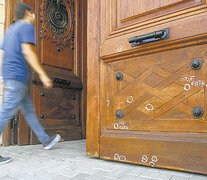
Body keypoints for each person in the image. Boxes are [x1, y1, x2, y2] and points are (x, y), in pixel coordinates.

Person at [0, 3, 61, 165]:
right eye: (33, 14)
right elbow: (27, 51)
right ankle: (46, 140)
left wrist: (3, 79)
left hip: (12, 77)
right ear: (28, 13)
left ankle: (45, 140)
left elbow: (3, 55)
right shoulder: (26, 26)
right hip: (17, 77)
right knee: (5, 113)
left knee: (28, 111)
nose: (34, 17)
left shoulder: (9, 30)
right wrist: (42, 74)